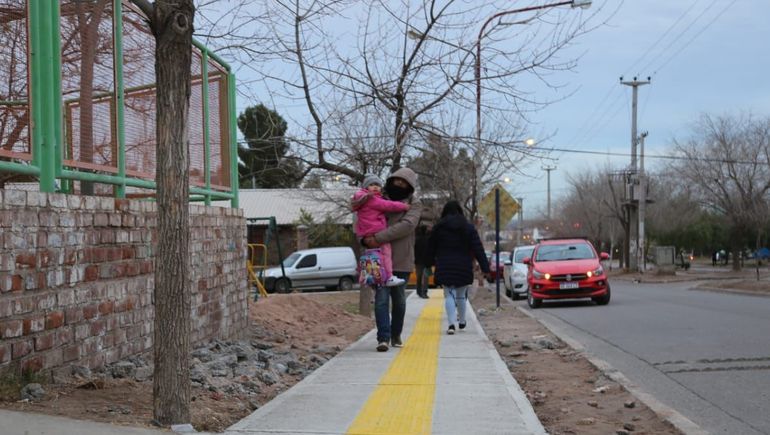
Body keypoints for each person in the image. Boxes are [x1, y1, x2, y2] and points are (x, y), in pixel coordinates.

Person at [362, 168, 422, 352]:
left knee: (399, 300)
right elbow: (363, 219)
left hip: (402, 257)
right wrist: (364, 239)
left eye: (404, 183)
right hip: (378, 257)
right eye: (396, 181)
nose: (399, 185)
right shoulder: (377, 197)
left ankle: (396, 334)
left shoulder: (414, 203)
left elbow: (407, 225)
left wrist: (377, 237)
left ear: (410, 186)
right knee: (381, 299)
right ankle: (383, 338)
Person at [427, 200, 490, 335]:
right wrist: (485, 267)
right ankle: (462, 321)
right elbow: (478, 248)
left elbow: (430, 247)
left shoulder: (439, 228)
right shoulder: (468, 228)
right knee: (461, 295)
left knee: (449, 294)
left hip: (444, 264)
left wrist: (428, 263)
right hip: (463, 265)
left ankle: (451, 324)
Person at [352, 174, 410, 287]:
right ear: (366, 187)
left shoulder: (361, 201)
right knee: (385, 253)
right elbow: (389, 205)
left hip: (366, 232)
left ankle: (369, 278)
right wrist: (404, 206)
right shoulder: (372, 199)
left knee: (372, 255)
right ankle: (389, 277)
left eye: (377, 185)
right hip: (376, 231)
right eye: (372, 185)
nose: (375, 187)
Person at [413, 223, 431, 299]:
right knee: (426, 277)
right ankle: (424, 292)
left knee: (419, 276)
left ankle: (418, 291)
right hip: (426, 261)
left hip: (418, 261)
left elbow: (414, 251)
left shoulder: (416, 239)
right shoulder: (428, 240)